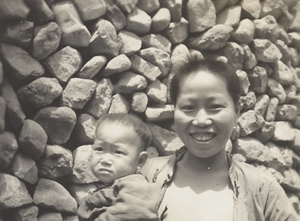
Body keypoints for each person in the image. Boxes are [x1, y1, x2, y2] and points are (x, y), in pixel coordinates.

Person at [141, 55, 298, 221]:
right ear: (174, 112)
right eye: (188, 107)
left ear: (236, 111)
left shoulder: (262, 189)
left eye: (215, 107)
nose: (201, 120)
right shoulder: (146, 175)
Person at [78, 113, 160, 221]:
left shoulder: (135, 187)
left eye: (118, 152)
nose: (105, 160)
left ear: (140, 160)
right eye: (99, 149)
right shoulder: (111, 186)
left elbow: (132, 214)